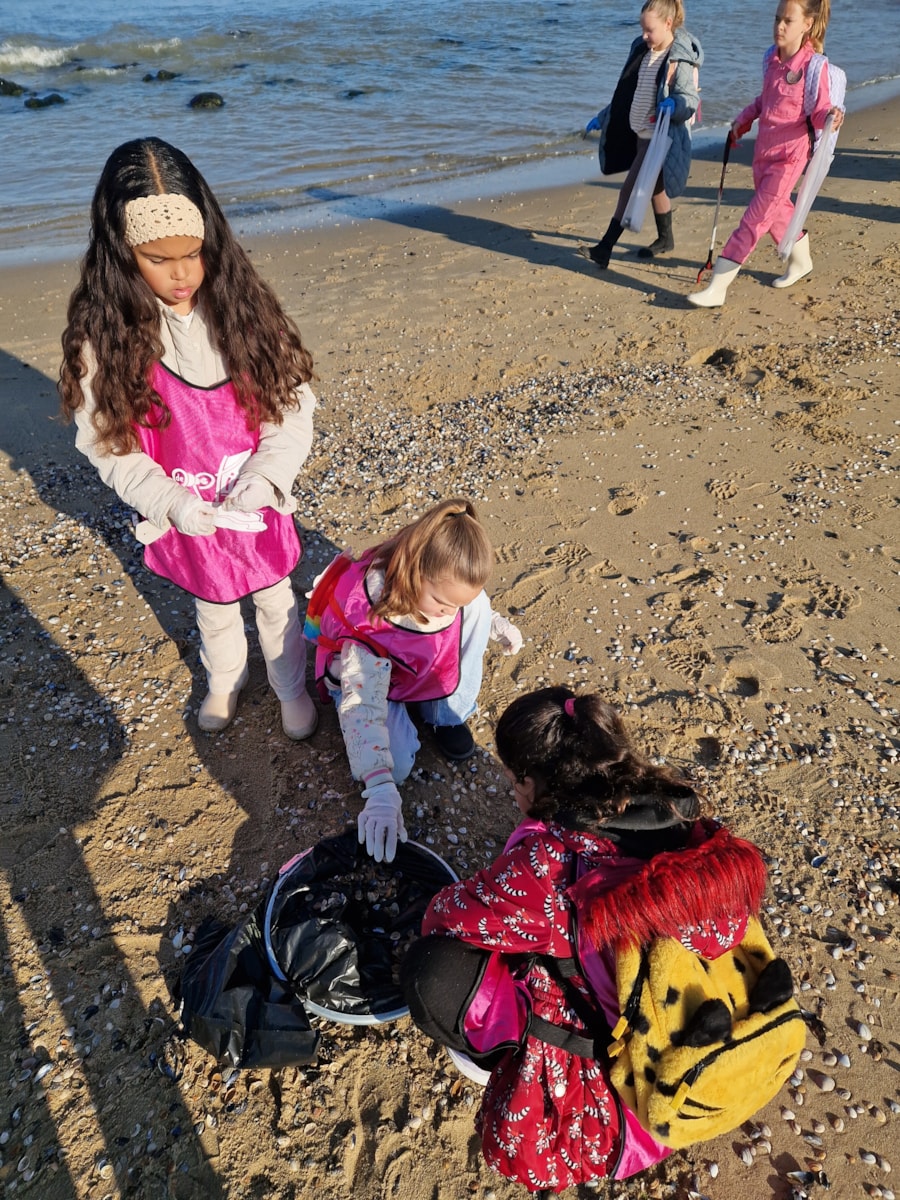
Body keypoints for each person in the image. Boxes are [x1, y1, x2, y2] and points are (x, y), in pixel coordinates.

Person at [401, 687, 766, 1194]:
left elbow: (448, 917)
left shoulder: (552, 867)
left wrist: (515, 862)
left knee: (432, 971)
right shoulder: (682, 814)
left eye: (512, 781)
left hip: (624, 1096)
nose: (512, 792)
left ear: (530, 782)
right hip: (703, 1048)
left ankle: (496, 1059)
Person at [60, 137, 319, 740]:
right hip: (186, 506)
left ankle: (290, 686)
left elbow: (290, 410)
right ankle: (225, 679)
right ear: (121, 254)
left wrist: (266, 477)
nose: (181, 274)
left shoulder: (244, 315)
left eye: (193, 253)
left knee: (276, 599)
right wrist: (170, 502)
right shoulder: (104, 343)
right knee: (213, 604)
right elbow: (111, 447)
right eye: (157, 259)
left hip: (253, 502)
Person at [306, 498, 523, 863]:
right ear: (416, 570)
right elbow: (361, 707)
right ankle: (407, 719)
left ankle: (446, 714)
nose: (450, 611)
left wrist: (491, 621)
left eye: (456, 604)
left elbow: (459, 598)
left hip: (411, 662)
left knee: (477, 606)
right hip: (370, 678)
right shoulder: (371, 620)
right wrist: (379, 787)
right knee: (398, 767)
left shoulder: (442, 587)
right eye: (442, 603)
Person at [689, 0, 844, 307]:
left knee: (754, 219)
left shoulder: (814, 67)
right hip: (763, 153)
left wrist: (831, 116)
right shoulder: (771, 59)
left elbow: (819, 111)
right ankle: (800, 261)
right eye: (777, 19)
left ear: (807, 24)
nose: (779, 27)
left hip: (790, 157)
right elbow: (766, 101)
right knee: (776, 212)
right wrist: (742, 121)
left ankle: (717, 287)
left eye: (788, 21)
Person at [584, 0, 702, 268]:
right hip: (640, 135)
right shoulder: (643, 51)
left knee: (631, 188)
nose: (645, 35)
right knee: (656, 186)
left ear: (668, 24)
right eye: (642, 29)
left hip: (659, 139)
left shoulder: (678, 58)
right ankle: (666, 239)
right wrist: (603, 117)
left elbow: (689, 99)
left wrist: (674, 104)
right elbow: (625, 93)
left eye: (650, 30)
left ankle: (604, 248)